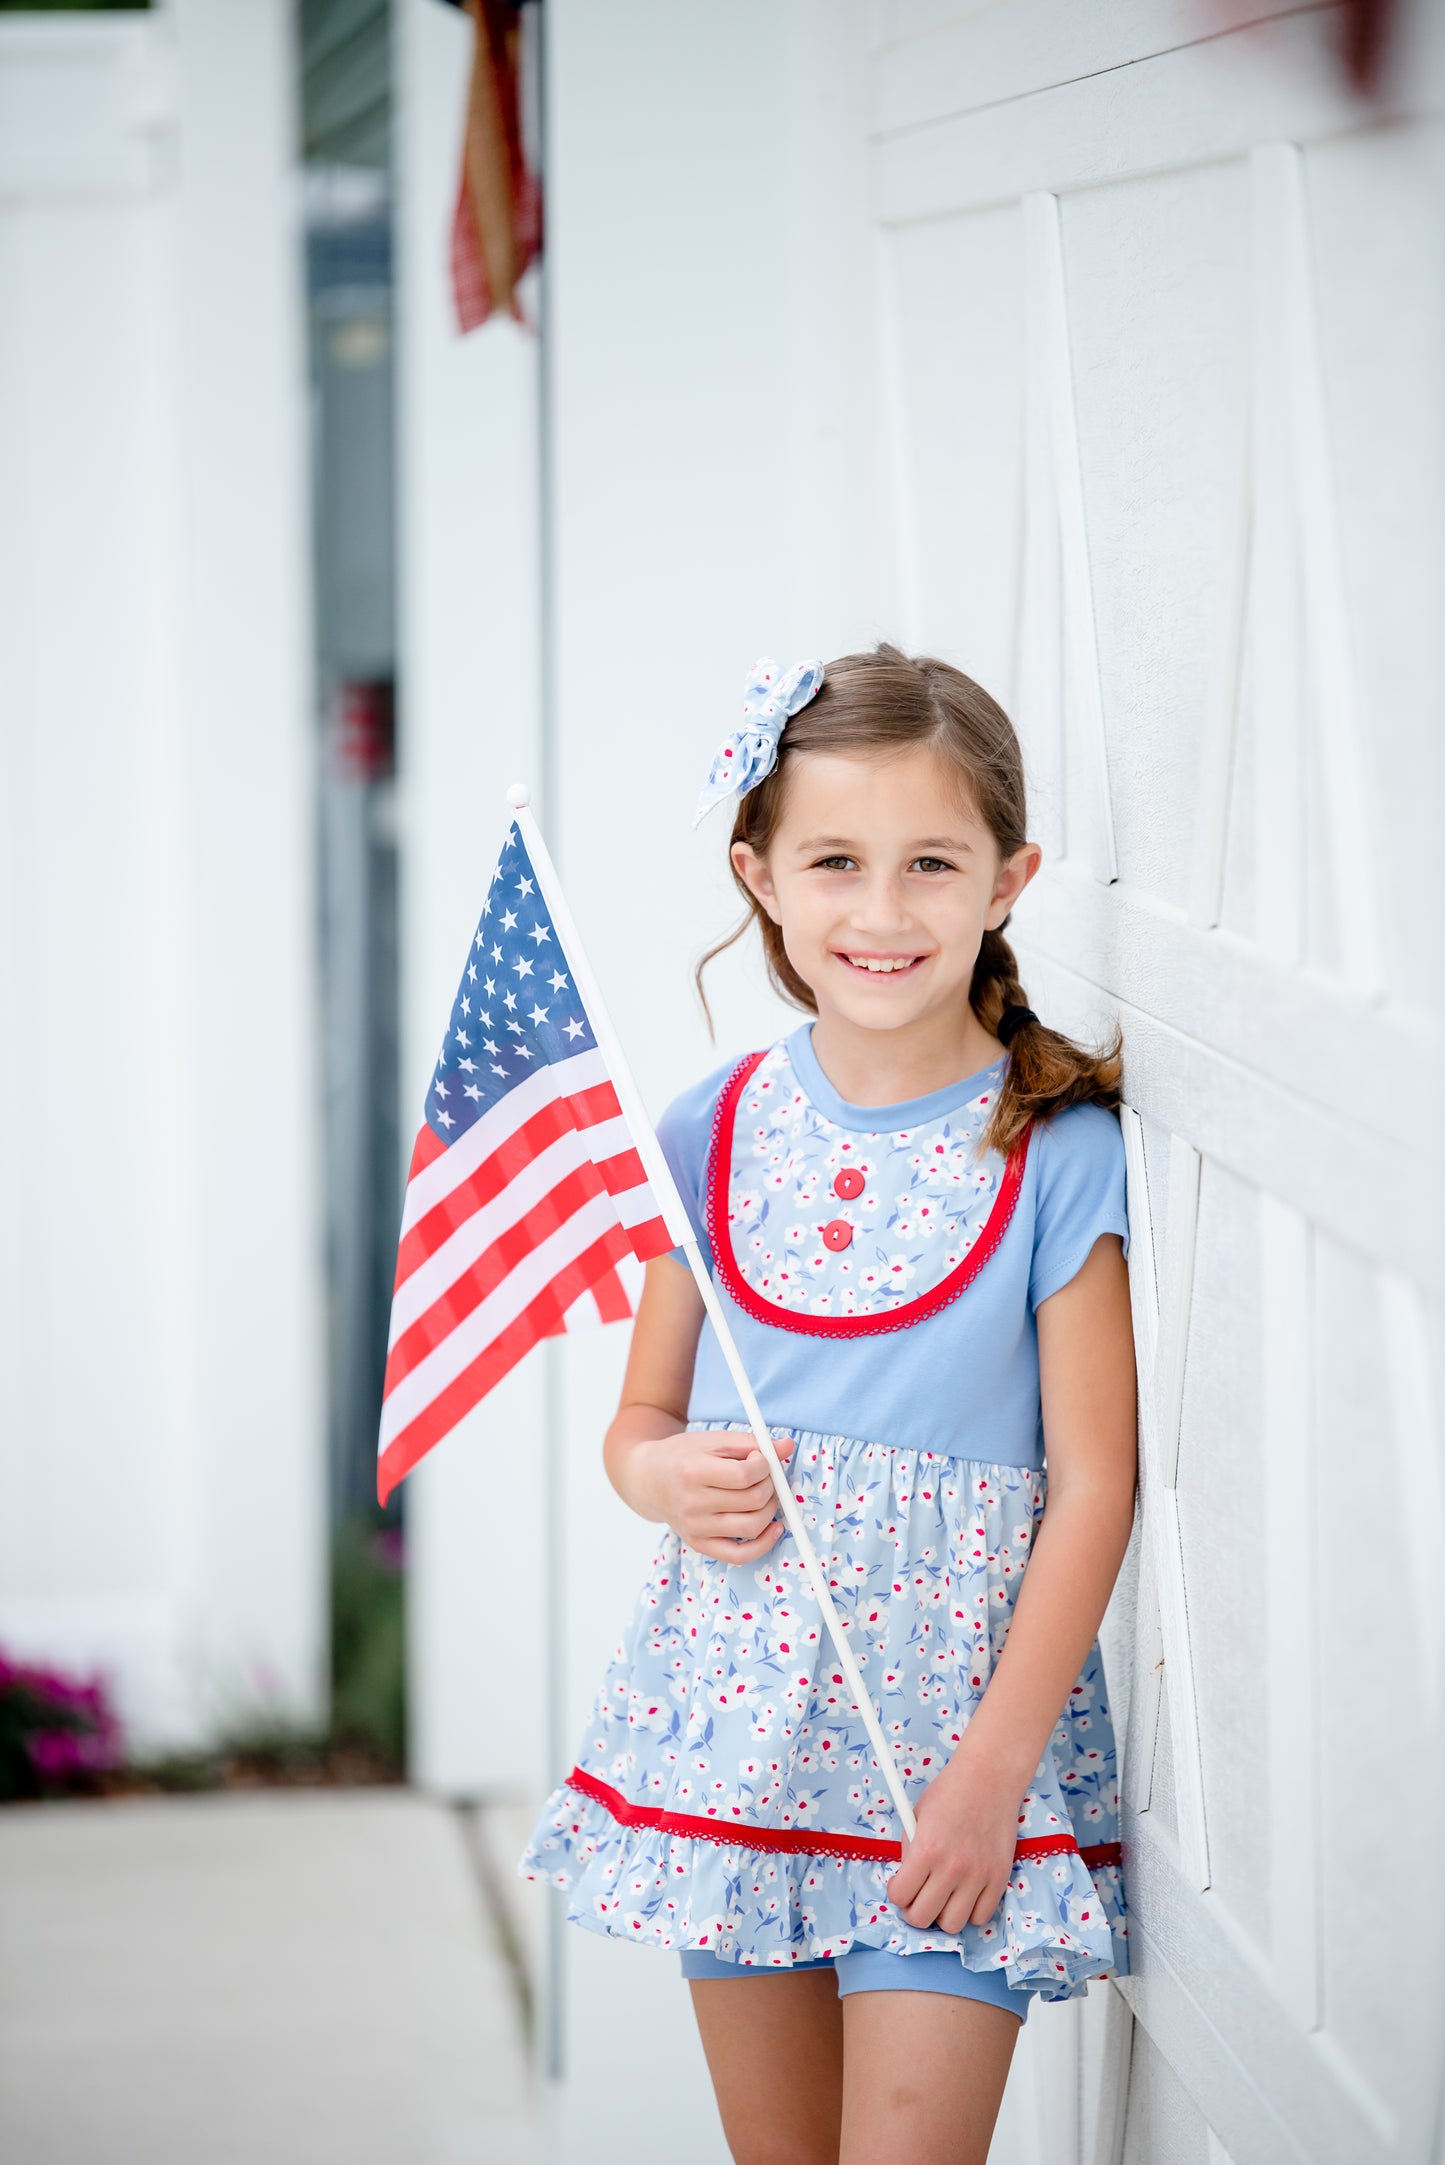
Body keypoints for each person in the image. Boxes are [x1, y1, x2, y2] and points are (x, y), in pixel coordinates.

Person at [517, 642, 1138, 2165]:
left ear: (1007, 878)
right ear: (762, 875)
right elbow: (635, 1420)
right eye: (835, 861)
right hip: (741, 1746)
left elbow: (1096, 1482)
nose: (880, 910)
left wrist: (989, 1777)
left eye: (930, 862)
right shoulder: (709, 1127)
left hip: (951, 1762)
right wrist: (661, 1479)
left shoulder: (1050, 1148)